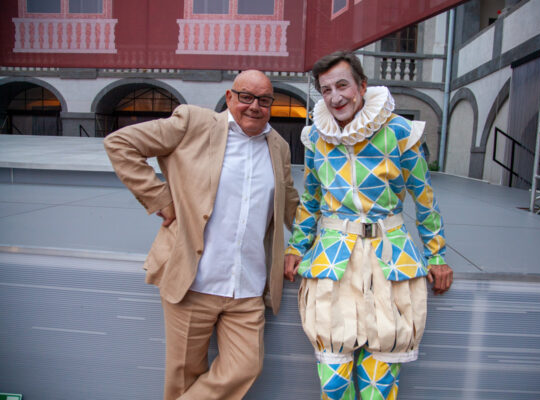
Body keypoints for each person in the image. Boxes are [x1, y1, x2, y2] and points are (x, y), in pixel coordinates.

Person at [104, 70, 299, 400]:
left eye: (264, 100)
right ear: (230, 97)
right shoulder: (194, 123)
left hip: (247, 288)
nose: (255, 106)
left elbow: (291, 201)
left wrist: (308, 242)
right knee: (183, 378)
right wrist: (159, 198)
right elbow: (120, 144)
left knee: (245, 367)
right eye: (246, 97)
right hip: (193, 281)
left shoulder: (278, 146)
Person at [283, 51, 453, 400]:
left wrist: (437, 255)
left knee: (379, 382)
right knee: (334, 382)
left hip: (389, 258)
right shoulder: (316, 137)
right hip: (333, 259)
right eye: (326, 90)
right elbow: (311, 199)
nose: (335, 97)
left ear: (362, 86)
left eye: (342, 85)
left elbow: (424, 198)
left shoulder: (400, 131)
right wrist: (296, 247)